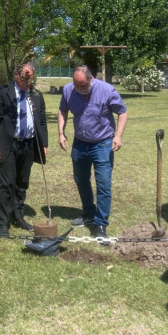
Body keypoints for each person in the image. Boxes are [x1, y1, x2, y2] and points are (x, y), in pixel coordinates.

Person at [58, 65, 127, 240]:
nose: (79, 89)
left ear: (91, 79)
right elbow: (62, 110)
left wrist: (118, 136)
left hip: (103, 143)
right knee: (81, 180)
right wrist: (61, 132)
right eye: (76, 84)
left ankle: (101, 223)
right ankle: (88, 213)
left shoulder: (106, 90)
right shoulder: (68, 90)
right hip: (80, 144)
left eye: (82, 85)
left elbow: (122, 112)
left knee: (103, 184)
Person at [0, 62, 48, 235]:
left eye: (30, 78)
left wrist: (44, 144)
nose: (27, 81)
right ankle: (3, 223)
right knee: (7, 184)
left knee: (22, 183)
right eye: (24, 77)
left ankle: (19, 216)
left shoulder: (36, 95)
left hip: (29, 144)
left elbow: (42, 122)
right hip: (8, 144)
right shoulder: (3, 92)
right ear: (16, 75)